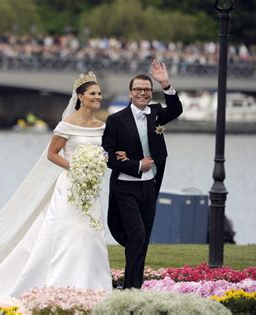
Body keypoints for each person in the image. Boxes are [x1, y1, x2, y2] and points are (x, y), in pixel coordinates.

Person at [0, 71, 126, 300]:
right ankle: (61, 283)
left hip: (90, 189)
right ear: (80, 96)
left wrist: (108, 159)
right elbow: (52, 154)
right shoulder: (66, 125)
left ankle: (94, 285)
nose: (98, 97)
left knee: (91, 233)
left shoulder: (102, 126)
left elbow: (105, 153)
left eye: (99, 93)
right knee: (68, 232)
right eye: (93, 93)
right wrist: (76, 167)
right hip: (70, 185)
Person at [102, 60, 183, 289]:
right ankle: (130, 289)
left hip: (150, 186)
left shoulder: (156, 113)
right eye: (138, 89)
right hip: (125, 188)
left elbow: (176, 109)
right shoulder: (115, 120)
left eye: (146, 90)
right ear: (130, 93)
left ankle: (134, 288)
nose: (142, 93)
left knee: (143, 239)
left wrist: (166, 83)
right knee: (136, 235)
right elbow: (108, 157)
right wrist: (136, 165)